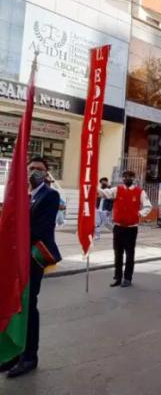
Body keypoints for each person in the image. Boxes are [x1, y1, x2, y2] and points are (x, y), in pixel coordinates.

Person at [1, 157, 62, 378]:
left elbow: (39, 229)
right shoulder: (22, 195)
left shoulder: (50, 195)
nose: (34, 172)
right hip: (16, 258)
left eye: (39, 169)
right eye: (31, 168)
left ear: (46, 174)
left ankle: (29, 357)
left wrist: (14, 234)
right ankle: (14, 353)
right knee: (15, 306)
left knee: (29, 306)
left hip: (34, 258)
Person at [98, 170, 152, 288]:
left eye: (130, 177)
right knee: (118, 254)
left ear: (134, 178)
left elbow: (148, 206)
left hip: (131, 228)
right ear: (122, 178)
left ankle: (127, 278)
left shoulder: (140, 192)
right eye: (125, 177)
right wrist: (92, 186)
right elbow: (103, 193)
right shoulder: (117, 190)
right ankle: (117, 277)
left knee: (129, 254)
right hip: (118, 227)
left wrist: (139, 214)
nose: (127, 178)